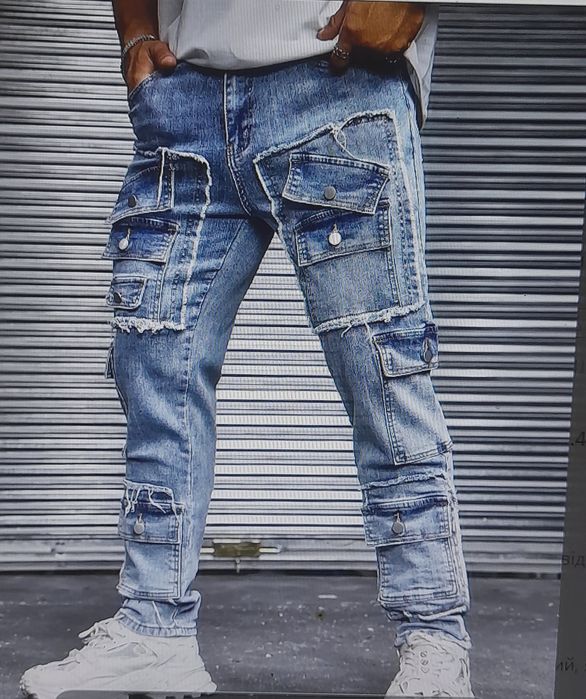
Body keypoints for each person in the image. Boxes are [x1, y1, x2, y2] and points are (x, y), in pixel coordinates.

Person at [20, 1, 475, 697]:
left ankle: (435, 639)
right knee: (154, 370)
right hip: (185, 96)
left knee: (383, 372)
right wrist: (135, 33)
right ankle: (153, 627)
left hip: (334, 82)